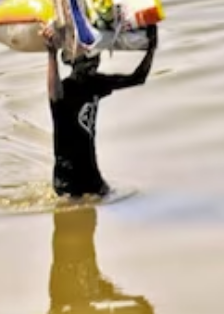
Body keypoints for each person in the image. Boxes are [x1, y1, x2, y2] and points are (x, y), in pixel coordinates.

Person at [43, 24, 158, 198]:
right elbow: (53, 92)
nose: (95, 62)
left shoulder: (95, 84)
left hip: (92, 175)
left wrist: (151, 48)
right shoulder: (64, 90)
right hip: (67, 178)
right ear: (73, 62)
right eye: (89, 59)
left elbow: (138, 78)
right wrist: (51, 53)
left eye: (96, 59)